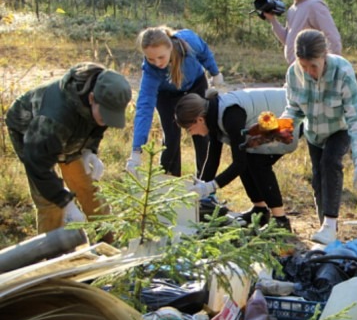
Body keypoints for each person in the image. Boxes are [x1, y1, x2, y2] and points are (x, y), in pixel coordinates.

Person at [6, 62, 132, 233]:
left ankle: (108, 240)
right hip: (31, 134)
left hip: (65, 133)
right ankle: (53, 254)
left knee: (87, 187)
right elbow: (38, 165)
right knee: (50, 203)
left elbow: (97, 126)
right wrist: (66, 203)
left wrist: (90, 151)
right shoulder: (54, 118)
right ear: (91, 99)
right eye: (105, 115)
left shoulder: (106, 97)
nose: (107, 120)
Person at [281, 29, 357, 245]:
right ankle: (327, 231)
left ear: (324, 56)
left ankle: (330, 224)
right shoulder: (294, 74)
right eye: (305, 67)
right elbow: (293, 108)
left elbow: (356, 120)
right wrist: (282, 125)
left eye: (314, 66)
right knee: (318, 179)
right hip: (314, 132)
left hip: (340, 128)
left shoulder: (342, 72)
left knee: (331, 162)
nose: (310, 72)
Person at [175, 89, 299, 230]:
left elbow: (239, 164)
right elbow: (212, 159)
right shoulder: (214, 115)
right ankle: (260, 211)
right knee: (248, 156)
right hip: (270, 119)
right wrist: (201, 188)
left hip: (284, 114)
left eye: (189, 129)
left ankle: (280, 220)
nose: (191, 134)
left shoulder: (230, 115)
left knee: (258, 163)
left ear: (199, 119)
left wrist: (211, 186)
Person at [127, 26, 224, 180]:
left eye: (161, 57)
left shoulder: (189, 42)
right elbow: (144, 108)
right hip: (166, 96)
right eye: (150, 59)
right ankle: (168, 184)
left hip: (195, 86)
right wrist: (136, 151)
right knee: (171, 138)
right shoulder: (151, 72)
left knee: (202, 135)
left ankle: (205, 185)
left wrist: (215, 72)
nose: (157, 63)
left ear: (170, 47)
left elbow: (204, 52)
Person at [263, 0, 343, 65]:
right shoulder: (293, 9)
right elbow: (288, 41)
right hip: (297, 70)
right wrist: (272, 20)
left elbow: (332, 37)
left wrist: (332, 68)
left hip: (313, 71)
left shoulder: (314, 5)